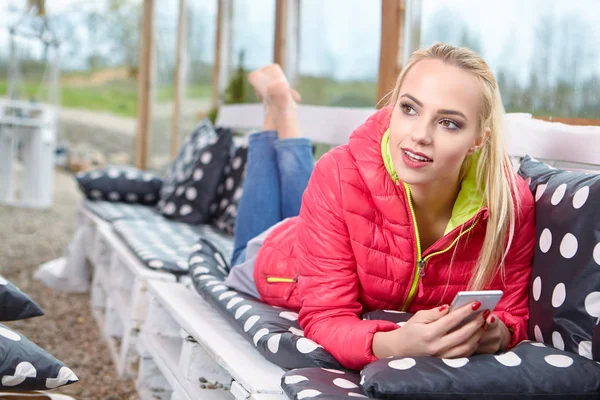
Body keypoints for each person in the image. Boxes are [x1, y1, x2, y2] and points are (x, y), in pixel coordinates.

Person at [223, 43, 535, 371]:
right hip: (279, 263)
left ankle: (279, 102)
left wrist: (496, 333)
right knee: (253, 240)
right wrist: (395, 344)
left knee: (323, 186)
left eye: (449, 123)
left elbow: (512, 314)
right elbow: (326, 316)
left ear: (478, 140)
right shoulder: (339, 173)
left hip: (326, 227)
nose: (420, 135)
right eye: (410, 109)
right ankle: (279, 108)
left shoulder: (509, 206)